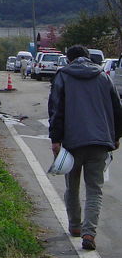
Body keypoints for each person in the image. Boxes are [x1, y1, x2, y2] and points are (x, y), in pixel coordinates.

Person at [48, 45, 122, 250]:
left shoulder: (63, 76)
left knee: (72, 186)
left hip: (72, 143)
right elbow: (117, 109)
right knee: (94, 190)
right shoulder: (103, 76)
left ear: (69, 60)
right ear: (89, 58)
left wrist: (55, 139)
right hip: (100, 142)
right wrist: (116, 136)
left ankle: (75, 226)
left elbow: (56, 109)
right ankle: (89, 234)